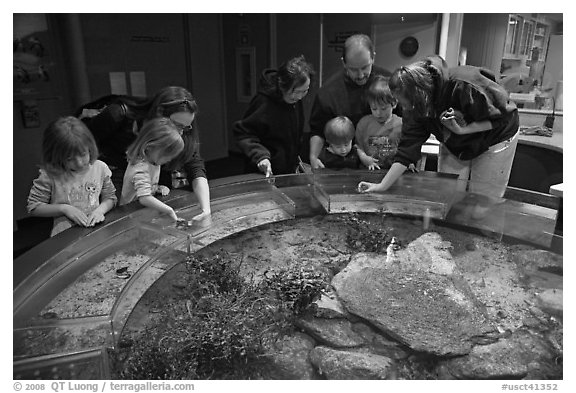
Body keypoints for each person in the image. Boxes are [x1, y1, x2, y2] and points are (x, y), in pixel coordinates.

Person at [358, 55, 519, 211]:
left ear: (421, 96)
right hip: (455, 141)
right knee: (449, 198)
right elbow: (406, 152)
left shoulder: (464, 84)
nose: (404, 108)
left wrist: (463, 130)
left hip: (495, 136)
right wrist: (381, 186)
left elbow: (503, 116)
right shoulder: (413, 108)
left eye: (406, 104)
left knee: (481, 208)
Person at [79, 86, 211, 221]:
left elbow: (195, 166)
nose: (181, 133)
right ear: (160, 114)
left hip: (146, 192)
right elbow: (80, 143)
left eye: (186, 127)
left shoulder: (156, 158)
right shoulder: (119, 115)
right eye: (177, 125)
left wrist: (206, 209)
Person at [309, 33, 392, 169]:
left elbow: (405, 123)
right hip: (342, 164)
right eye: (353, 69)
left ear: (373, 58)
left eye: (365, 67)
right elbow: (317, 130)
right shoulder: (328, 92)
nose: (360, 75)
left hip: (384, 161)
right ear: (344, 63)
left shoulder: (389, 83)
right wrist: (313, 156)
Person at [27, 116, 117, 237]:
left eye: (83, 154)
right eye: (69, 159)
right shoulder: (50, 175)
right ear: (56, 156)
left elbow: (110, 198)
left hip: (94, 232)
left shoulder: (100, 168)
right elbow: (34, 207)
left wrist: (100, 210)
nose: (79, 163)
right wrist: (64, 209)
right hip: (65, 237)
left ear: (90, 148)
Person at [233, 55, 315, 177]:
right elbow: (243, 133)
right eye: (296, 92)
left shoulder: (294, 100)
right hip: (263, 171)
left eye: (305, 91)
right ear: (282, 85)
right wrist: (260, 156)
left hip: (286, 171)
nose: (300, 97)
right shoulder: (264, 102)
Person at [119, 117, 184, 221]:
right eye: (166, 155)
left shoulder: (152, 160)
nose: (169, 159)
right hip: (130, 216)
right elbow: (144, 198)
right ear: (150, 147)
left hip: (141, 212)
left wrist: (157, 188)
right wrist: (169, 210)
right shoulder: (140, 168)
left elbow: (144, 186)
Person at [355, 75, 403, 170]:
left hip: (392, 172)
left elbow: (406, 149)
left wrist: (409, 163)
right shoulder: (363, 123)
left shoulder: (401, 124)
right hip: (368, 171)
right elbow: (358, 147)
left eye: (384, 108)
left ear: (394, 104)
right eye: (374, 108)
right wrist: (364, 158)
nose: (378, 113)